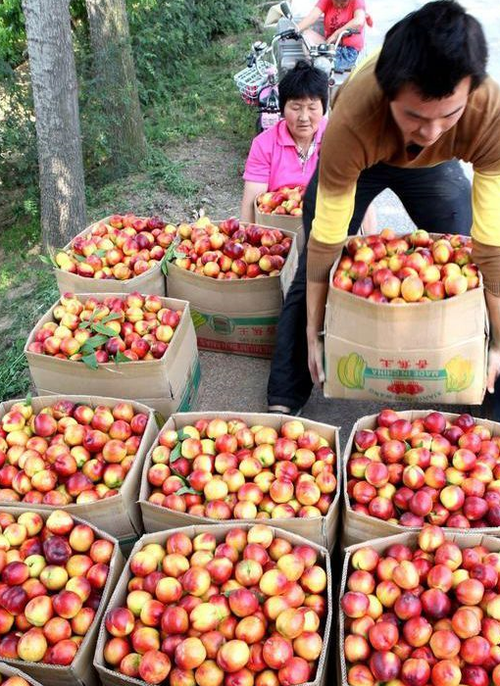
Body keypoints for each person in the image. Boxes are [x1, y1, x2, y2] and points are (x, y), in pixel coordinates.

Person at [268, 0, 500, 415]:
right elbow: (326, 242)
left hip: (434, 168)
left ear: (471, 91)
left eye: (448, 115)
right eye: (415, 116)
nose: (430, 131)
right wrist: (313, 330)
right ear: (389, 95)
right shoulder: (353, 120)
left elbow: (491, 246)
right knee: (314, 267)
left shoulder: (488, 114)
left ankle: (488, 393)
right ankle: (285, 396)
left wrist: (498, 342)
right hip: (365, 158)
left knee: (471, 263)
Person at [240, 61, 329, 223]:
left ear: (323, 107)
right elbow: (252, 203)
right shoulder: (264, 144)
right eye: (295, 108)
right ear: (282, 109)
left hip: (327, 227)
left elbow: (356, 192)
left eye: (312, 107)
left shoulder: (337, 138)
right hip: (279, 232)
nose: (304, 117)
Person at [297, 0, 366, 72]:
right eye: (336, 1)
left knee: (321, 66)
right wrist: (295, 29)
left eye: (344, 2)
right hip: (330, 46)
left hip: (347, 52)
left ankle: (317, 65)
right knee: (306, 34)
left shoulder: (357, 1)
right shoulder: (326, 1)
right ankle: (313, 63)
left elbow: (359, 21)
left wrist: (335, 35)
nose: (339, 5)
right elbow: (312, 17)